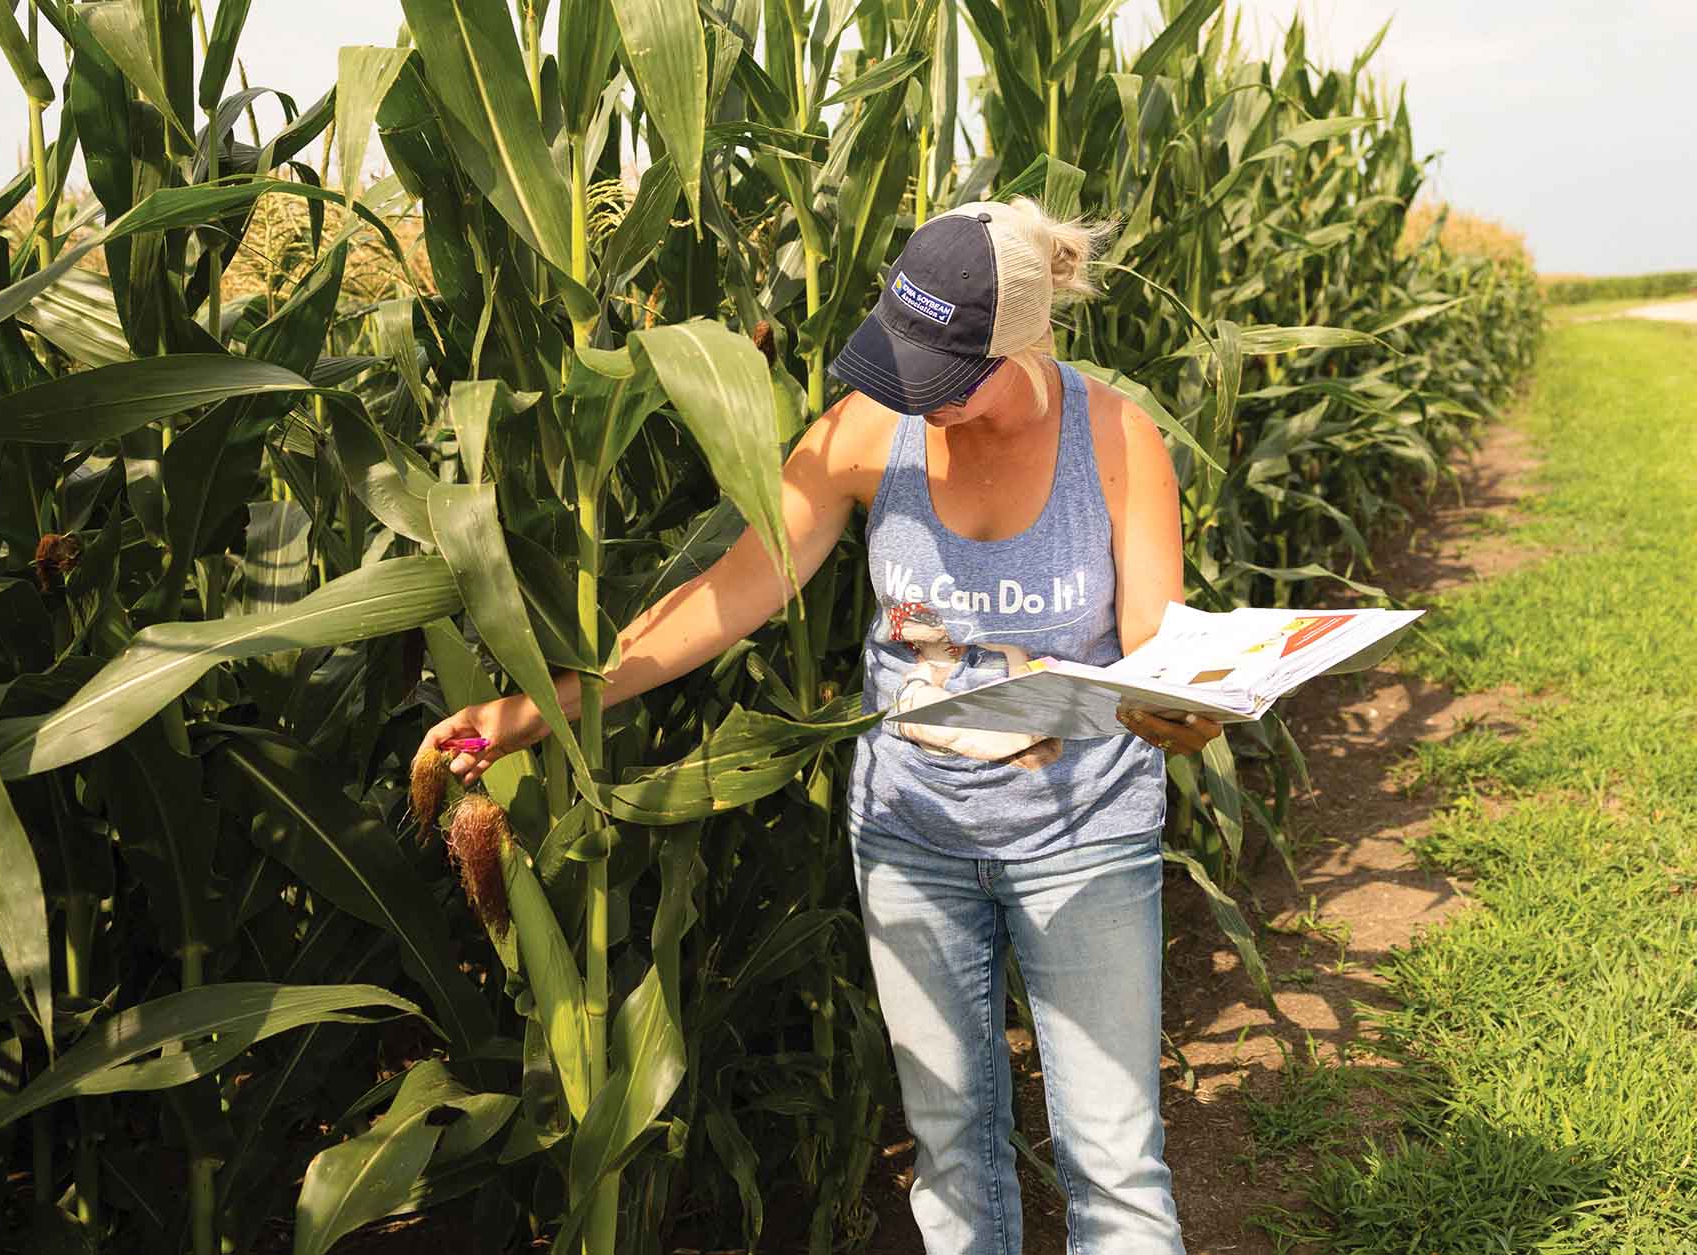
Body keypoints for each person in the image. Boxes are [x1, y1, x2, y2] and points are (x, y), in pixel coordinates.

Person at [420, 198, 1219, 1255]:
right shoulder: (862, 432)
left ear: (1018, 339)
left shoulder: (1117, 440)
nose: (916, 400)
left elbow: (1157, 645)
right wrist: (534, 709)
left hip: (1082, 840)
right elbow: (725, 595)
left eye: (945, 380)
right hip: (911, 842)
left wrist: (1181, 713)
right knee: (953, 1155)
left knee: (1114, 1162)